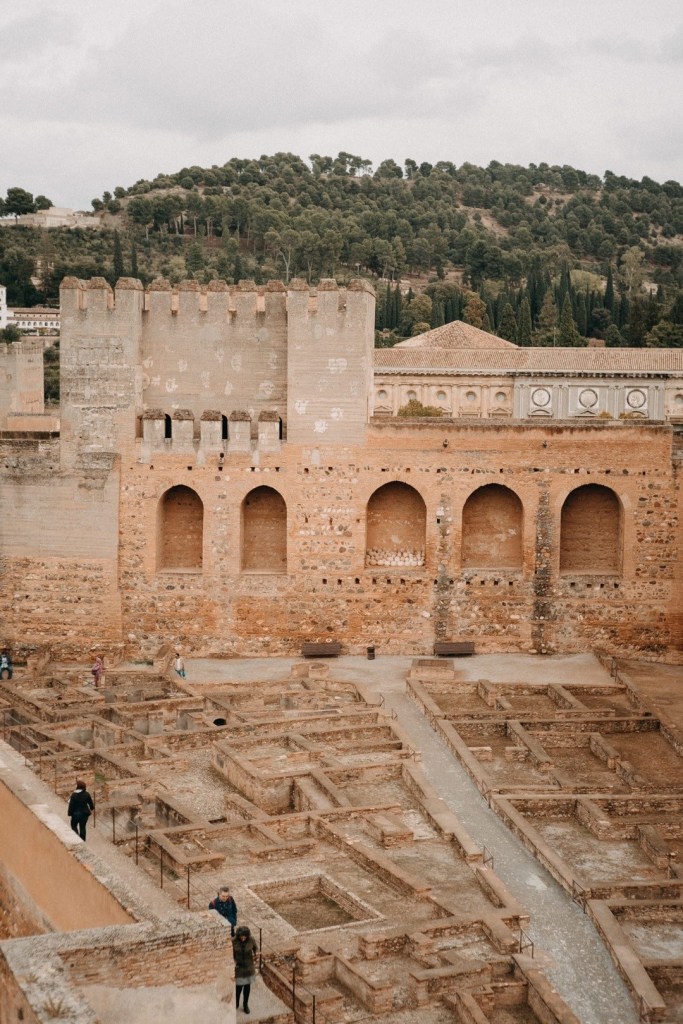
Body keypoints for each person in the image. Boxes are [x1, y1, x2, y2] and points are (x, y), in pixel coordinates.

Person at [232, 925, 257, 1015]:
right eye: (241, 936)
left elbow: (255, 948)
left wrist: (255, 954)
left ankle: (245, 1004)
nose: (243, 938)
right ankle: (236, 1003)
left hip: (248, 967)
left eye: (244, 936)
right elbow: (230, 952)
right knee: (238, 988)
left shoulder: (251, 940)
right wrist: (233, 960)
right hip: (238, 968)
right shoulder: (233, 941)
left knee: (247, 988)